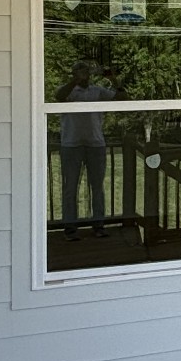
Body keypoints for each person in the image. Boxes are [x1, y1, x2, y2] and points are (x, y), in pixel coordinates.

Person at [54, 62, 116, 236]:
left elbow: (123, 99)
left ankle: (98, 226)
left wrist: (113, 79)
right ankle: (70, 228)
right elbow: (59, 96)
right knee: (70, 187)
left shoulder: (97, 91)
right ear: (73, 73)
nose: (84, 74)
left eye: (86, 70)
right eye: (79, 71)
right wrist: (74, 81)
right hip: (71, 145)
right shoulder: (68, 91)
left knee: (97, 187)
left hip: (96, 144)